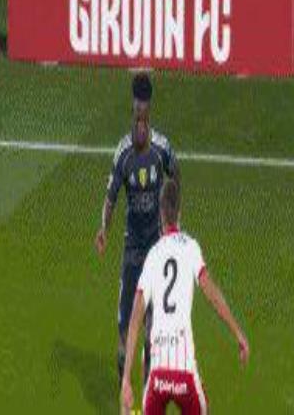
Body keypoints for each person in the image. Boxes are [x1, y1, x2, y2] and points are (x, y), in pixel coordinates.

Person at [121, 179, 250, 414]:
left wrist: (126, 379)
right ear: (179, 213)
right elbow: (212, 294)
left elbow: (135, 318)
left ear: (161, 214)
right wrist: (238, 333)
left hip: (157, 376)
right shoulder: (190, 247)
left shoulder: (153, 256)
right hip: (184, 374)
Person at [95, 73, 180, 387]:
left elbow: (176, 175)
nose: (140, 119)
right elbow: (111, 197)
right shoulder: (123, 153)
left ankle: (145, 396)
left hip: (155, 247)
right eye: (136, 115)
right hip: (132, 249)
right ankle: (125, 388)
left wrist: (174, 218)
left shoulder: (161, 148)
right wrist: (104, 229)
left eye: (143, 113)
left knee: (151, 328)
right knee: (124, 327)